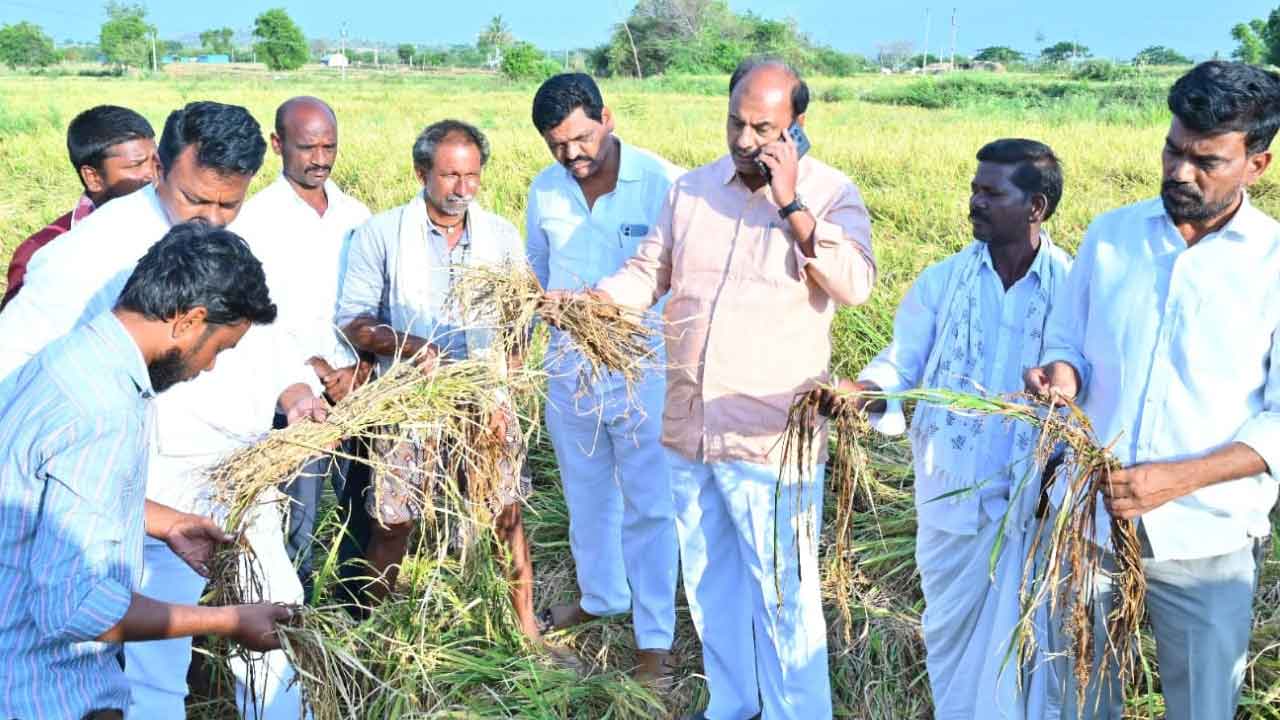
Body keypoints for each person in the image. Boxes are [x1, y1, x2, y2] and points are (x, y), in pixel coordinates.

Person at [566, 57, 876, 719]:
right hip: (689, 430)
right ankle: (733, 708)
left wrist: (790, 203)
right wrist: (594, 304)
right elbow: (650, 271)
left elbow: (854, 284)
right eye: (736, 121)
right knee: (712, 590)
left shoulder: (828, 193)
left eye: (763, 128)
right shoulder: (692, 191)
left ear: (795, 126)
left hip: (770, 440)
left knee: (785, 601)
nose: (743, 140)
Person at [1025, 61, 1280, 719]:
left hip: (1205, 544)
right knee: (1080, 702)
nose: (1179, 172)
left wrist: (1182, 478)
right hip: (1087, 528)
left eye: (1207, 160)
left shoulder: (1273, 264)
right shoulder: (1113, 236)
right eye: (1172, 149)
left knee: (1201, 706)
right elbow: (1066, 340)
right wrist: (1062, 375)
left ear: (1258, 163)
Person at [0, 223, 290, 720]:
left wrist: (165, 521)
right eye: (218, 348)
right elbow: (76, 608)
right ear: (189, 320)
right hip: (42, 693)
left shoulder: (73, 361)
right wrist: (228, 620)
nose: (210, 367)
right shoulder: (102, 411)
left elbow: (37, 493)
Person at [823, 139, 1068, 719]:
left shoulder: (1075, 287)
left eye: (991, 192)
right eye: (974, 189)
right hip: (950, 499)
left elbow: (1086, 378)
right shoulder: (942, 281)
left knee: (1028, 658)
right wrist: (862, 391)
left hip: (1036, 508)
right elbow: (902, 361)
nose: (974, 202)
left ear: (1035, 206)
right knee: (953, 645)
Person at [336, 120, 543, 644]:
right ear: (421, 172)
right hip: (410, 402)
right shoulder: (381, 233)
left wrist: (508, 385)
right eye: (450, 175)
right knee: (394, 522)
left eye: (472, 176)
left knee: (505, 515)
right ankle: (374, 634)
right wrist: (406, 344)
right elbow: (352, 320)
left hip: (482, 399)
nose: (462, 188)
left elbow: (519, 314)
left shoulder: (499, 234)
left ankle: (527, 631)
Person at [525, 73, 682, 685]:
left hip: (644, 371)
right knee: (585, 494)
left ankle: (655, 640)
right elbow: (536, 275)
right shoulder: (545, 190)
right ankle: (600, 597)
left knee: (649, 505)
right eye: (557, 144)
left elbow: (676, 279)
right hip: (568, 370)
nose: (573, 155)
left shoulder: (662, 183)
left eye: (582, 138)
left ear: (607, 118)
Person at [0, 100, 265, 380]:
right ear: (159, 169)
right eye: (195, 199)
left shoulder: (247, 233)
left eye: (228, 205)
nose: (212, 219)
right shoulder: (87, 251)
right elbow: (12, 358)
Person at [233, 96, 374, 591]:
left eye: (329, 146)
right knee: (298, 510)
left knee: (364, 501)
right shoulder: (254, 221)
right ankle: (294, 609)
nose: (320, 158)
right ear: (277, 145)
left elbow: (371, 301)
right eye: (307, 146)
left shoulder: (357, 215)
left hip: (358, 384)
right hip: (294, 390)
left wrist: (360, 368)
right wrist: (309, 372)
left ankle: (355, 600)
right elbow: (254, 317)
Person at [2, 104, 157, 309]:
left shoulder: (167, 223)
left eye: (156, 162)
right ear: (93, 177)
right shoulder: (41, 251)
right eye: (137, 165)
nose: (153, 174)